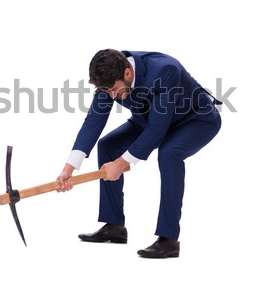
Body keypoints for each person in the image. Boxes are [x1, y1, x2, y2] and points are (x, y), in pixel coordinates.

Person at [57, 49, 221, 258]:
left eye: (114, 90)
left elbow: (157, 131)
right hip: (150, 119)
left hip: (196, 119)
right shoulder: (108, 82)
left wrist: (121, 163)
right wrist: (69, 168)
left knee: (169, 153)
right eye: (107, 92)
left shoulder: (165, 70)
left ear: (127, 73)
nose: (112, 96)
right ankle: (114, 227)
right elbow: (93, 121)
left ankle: (169, 239)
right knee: (108, 146)